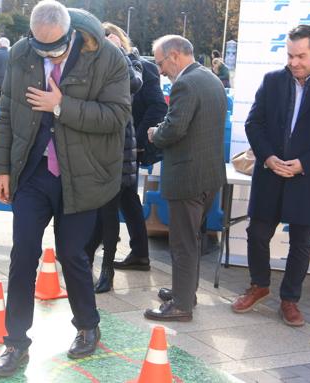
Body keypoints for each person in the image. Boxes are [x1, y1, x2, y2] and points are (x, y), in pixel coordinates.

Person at [0, 0, 130, 377]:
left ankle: (87, 325)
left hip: (82, 176)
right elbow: (7, 112)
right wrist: (1, 169)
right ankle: (15, 342)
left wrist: (61, 105)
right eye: (41, 46)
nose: (47, 53)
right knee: (23, 257)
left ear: (72, 34)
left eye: (55, 47)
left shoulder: (107, 58)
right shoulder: (21, 54)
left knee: (73, 255)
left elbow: (117, 117)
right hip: (32, 175)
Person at [231, 25, 310, 327]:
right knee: (257, 233)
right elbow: (254, 123)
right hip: (270, 173)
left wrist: (304, 164)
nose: (294, 62)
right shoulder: (272, 81)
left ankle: (289, 300)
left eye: (301, 56)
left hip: (309, 177)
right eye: (290, 55)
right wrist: (269, 157)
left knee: (301, 242)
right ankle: (259, 285)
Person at [144, 35, 227, 322]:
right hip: (208, 177)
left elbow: (174, 129)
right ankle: (185, 291)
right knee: (192, 238)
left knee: (182, 243)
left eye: (161, 63)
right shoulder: (211, 78)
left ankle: (181, 306)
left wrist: (155, 133)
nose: (161, 70)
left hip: (187, 179)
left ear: (175, 55)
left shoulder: (185, 84)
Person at [84, 22, 142, 293]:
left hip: (119, 145)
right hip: (91, 142)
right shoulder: (90, 60)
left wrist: (119, 54)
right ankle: (84, 258)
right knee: (94, 211)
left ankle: (106, 269)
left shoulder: (132, 61)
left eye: (112, 38)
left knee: (109, 212)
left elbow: (134, 84)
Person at [113, 47, 168, 271]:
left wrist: (136, 137)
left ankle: (138, 252)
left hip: (127, 147)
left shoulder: (144, 68)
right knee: (123, 198)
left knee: (125, 197)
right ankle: (138, 253)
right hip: (112, 147)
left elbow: (158, 106)